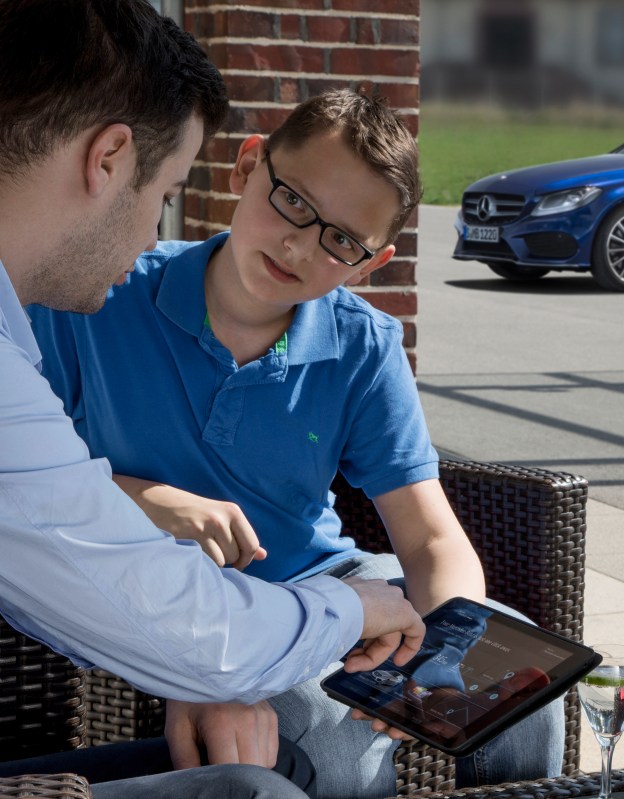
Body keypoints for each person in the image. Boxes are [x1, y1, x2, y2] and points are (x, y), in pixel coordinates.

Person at [26, 87, 566, 798]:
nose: (300, 245)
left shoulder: (363, 345)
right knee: (335, 744)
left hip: (330, 584)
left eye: (342, 241)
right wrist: (146, 499)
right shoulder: (101, 294)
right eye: (293, 202)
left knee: (524, 695)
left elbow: (431, 538)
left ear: (370, 263)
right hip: (164, 601)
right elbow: (26, 479)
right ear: (248, 166)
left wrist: (449, 651)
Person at [0, 1, 426, 796]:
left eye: (341, 240)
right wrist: (342, 611)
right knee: (295, 773)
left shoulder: (362, 340)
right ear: (109, 160)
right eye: (167, 191)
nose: (152, 237)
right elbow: (98, 563)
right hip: (243, 615)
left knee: (526, 716)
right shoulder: (61, 320)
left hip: (286, 596)